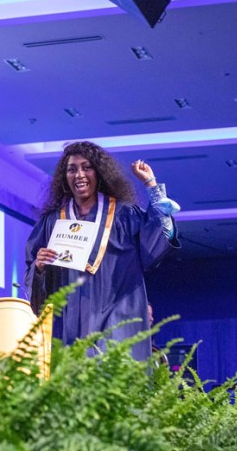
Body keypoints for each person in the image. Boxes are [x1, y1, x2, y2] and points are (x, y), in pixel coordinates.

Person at [25, 141, 180, 361]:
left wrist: (152, 186)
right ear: (64, 177)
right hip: (68, 328)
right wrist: (39, 268)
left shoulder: (124, 215)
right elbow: (34, 281)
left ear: (99, 173)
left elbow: (157, 240)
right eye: (72, 169)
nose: (79, 174)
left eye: (86, 167)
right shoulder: (51, 222)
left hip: (118, 321)